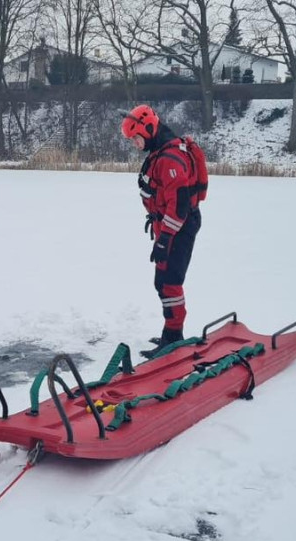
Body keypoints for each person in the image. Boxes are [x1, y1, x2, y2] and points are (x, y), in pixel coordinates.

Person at [121, 104, 208, 357]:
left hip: (179, 226)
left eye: (136, 138)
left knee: (169, 282)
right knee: (163, 281)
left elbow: (179, 205)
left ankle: (173, 337)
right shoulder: (160, 151)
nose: (135, 144)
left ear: (149, 130)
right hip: (170, 225)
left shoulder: (170, 159)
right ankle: (171, 333)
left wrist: (164, 239)